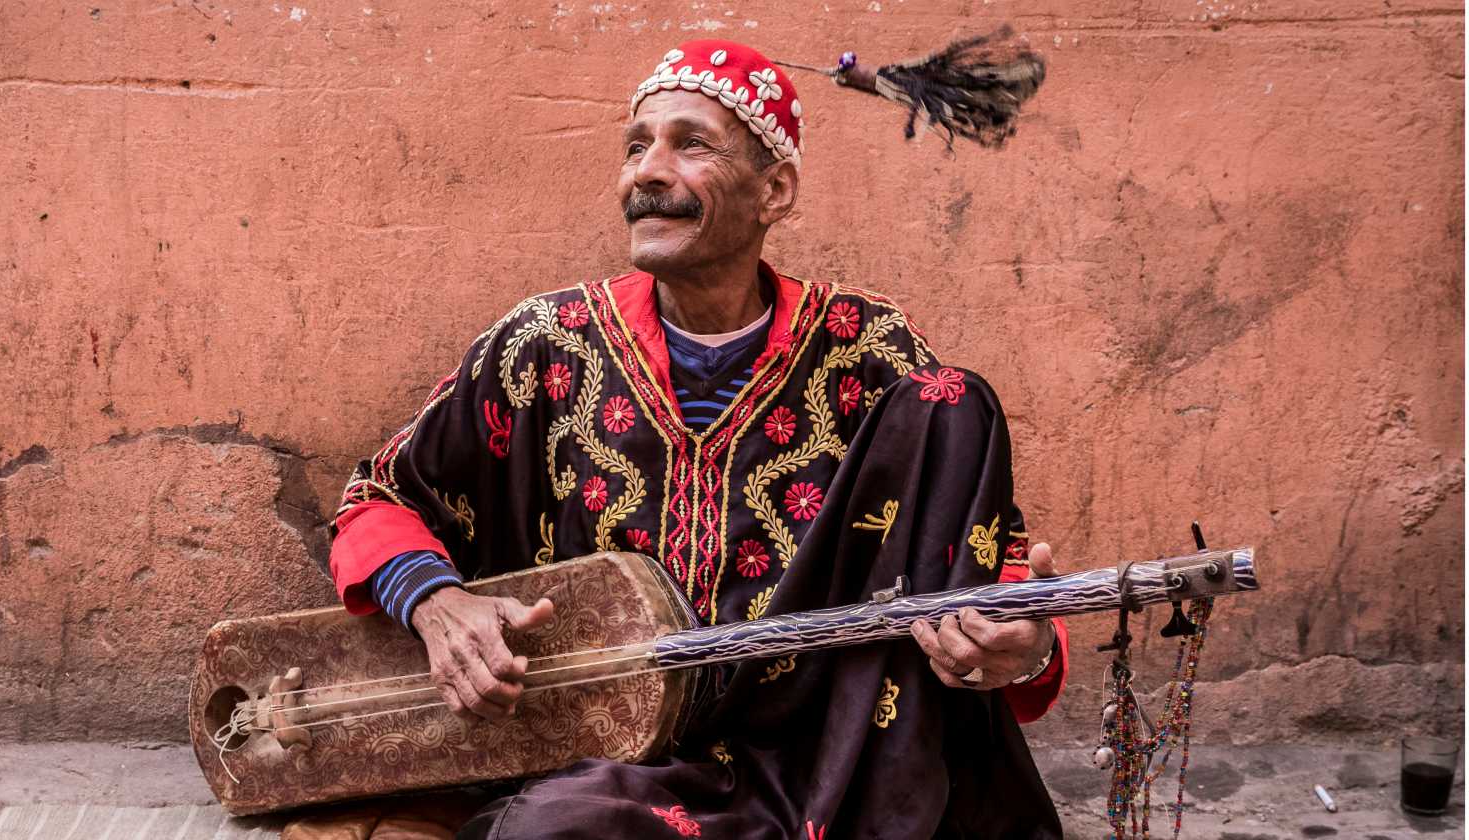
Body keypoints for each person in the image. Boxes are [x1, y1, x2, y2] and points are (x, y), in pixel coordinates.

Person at [315, 39, 1066, 839]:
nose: (647, 171)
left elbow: (996, 580)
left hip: (834, 754)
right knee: (552, 831)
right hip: (622, 767)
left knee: (953, 401)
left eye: (691, 144)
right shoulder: (545, 344)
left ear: (774, 191)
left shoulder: (867, 352)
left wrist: (1022, 649)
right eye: (636, 146)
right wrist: (437, 604)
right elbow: (379, 500)